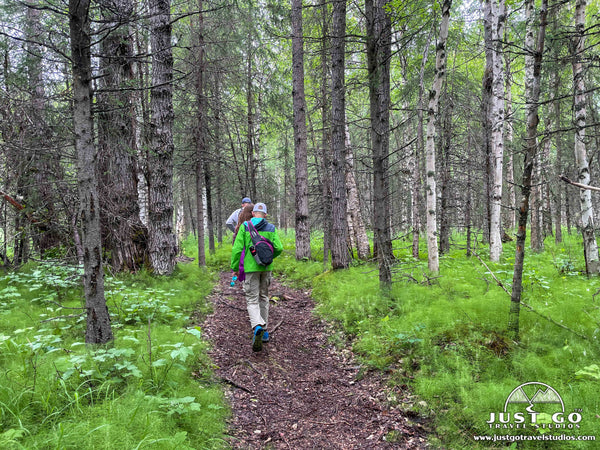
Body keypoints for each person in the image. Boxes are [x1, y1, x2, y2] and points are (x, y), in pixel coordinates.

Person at [230, 202, 283, 352]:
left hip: (250, 269)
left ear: (253, 213)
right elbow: (279, 248)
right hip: (266, 268)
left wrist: (235, 268)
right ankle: (264, 331)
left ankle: (257, 326)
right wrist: (268, 256)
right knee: (264, 297)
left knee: (252, 299)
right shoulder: (271, 228)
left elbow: (237, 249)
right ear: (265, 215)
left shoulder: (245, 227)